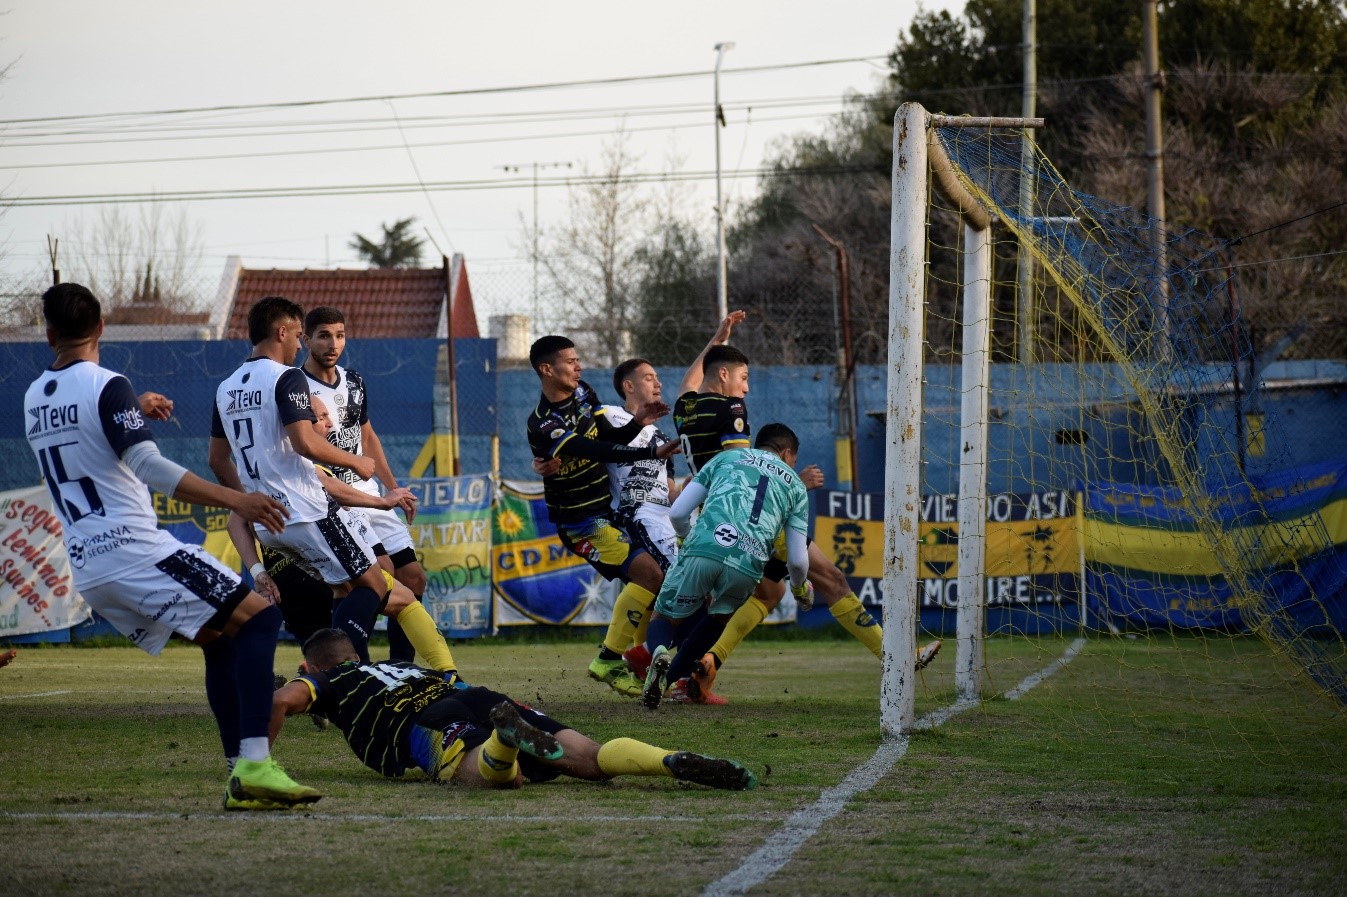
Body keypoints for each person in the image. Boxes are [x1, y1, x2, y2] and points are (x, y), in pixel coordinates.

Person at [24, 282, 319, 811]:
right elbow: (149, 468)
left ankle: (241, 774)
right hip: (136, 550)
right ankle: (255, 763)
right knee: (261, 618)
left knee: (221, 638)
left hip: (89, 566)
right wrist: (239, 499)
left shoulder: (33, 398)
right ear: (102, 328)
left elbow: (81, 437)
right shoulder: (106, 384)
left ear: (48, 334)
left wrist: (131, 409)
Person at [672, 319, 940, 700]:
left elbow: (688, 382)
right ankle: (896, 658)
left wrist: (714, 341)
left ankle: (701, 671)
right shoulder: (732, 408)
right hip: (750, 517)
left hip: (712, 522)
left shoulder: (684, 408)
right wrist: (793, 481)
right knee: (832, 581)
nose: (746, 387)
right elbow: (743, 477)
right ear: (726, 374)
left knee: (766, 594)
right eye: (744, 378)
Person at [208, 297, 445, 671]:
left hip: (269, 524)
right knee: (375, 585)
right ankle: (333, 671)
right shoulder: (286, 377)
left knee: (351, 588)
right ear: (282, 332)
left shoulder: (226, 388)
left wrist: (252, 500)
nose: (299, 345)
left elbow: (217, 461)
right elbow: (306, 442)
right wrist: (357, 461)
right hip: (307, 510)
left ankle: (357, 671)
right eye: (300, 336)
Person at [271, 628, 758, 791]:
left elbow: (283, 701)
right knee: (589, 760)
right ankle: (666, 759)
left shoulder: (325, 680)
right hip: (468, 695)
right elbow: (454, 683)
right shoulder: (397, 664)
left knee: (495, 778)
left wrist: (259, 756)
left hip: (422, 724)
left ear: (312, 665)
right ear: (356, 653)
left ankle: (504, 740)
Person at [525, 335, 681, 696]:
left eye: (578, 359)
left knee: (654, 580)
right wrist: (651, 451)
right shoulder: (543, 423)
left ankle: (638, 663)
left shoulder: (584, 393)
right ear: (547, 369)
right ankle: (610, 660)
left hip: (606, 514)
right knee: (651, 575)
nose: (579, 366)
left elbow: (609, 434)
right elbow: (595, 449)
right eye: (570, 361)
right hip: (581, 524)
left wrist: (637, 422)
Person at [639, 423, 813, 709]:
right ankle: (669, 680)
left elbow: (679, 511)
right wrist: (800, 588)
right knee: (718, 618)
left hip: (706, 546)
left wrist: (686, 538)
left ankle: (658, 653)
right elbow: (797, 560)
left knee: (665, 616)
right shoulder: (795, 485)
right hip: (748, 563)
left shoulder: (726, 458)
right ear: (786, 453)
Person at [301, 306, 429, 664]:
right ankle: (352, 664)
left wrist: (394, 489)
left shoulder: (354, 381)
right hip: (333, 498)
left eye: (339, 335)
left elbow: (367, 436)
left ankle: (403, 669)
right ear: (305, 339)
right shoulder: (294, 387)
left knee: (413, 579)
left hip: (372, 495)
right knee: (376, 576)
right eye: (324, 335)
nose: (333, 343)